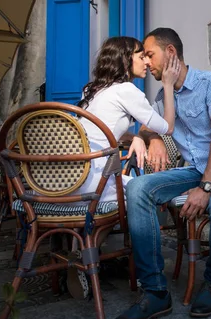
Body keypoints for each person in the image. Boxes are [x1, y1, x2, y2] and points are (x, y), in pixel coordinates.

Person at [108, 28, 211, 319]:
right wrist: (152, 139)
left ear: (170, 52)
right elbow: (153, 126)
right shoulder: (164, 95)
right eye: (143, 56)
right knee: (138, 188)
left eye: (150, 54)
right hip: (195, 168)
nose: (146, 62)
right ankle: (156, 292)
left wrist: (206, 188)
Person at [75, 36, 181, 202]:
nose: (146, 62)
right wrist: (168, 85)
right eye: (141, 57)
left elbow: (102, 131)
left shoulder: (91, 90)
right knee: (151, 192)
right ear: (125, 60)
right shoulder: (126, 90)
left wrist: (137, 138)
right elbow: (168, 127)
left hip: (73, 179)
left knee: (141, 186)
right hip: (97, 185)